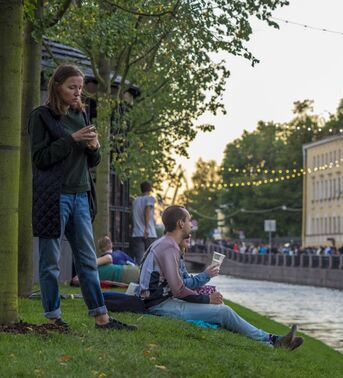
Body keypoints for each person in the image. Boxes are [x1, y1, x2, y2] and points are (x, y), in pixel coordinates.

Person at [29, 64, 135, 330]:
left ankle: (102, 317)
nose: (77, 92)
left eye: (80, 87)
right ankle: (54, 317)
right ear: (57, 87)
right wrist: (73, 139)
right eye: (71, 87)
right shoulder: (41, 116)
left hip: (80, 198)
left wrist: (94, 147)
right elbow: (40, 158)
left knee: (88, 261)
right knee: (50, 262)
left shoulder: (81, 116)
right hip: (53, 198)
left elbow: (92, 161)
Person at [139, 205, 303, 350]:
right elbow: (179, 290)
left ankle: (269, 341)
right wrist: (207, 299)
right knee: (223, 311)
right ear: (181, 224)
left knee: (221, 310)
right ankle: (273, 340)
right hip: (158, 306)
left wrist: (205, 296)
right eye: (189, 220)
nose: (192, 225)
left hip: (159, 301)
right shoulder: (169, 247)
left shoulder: (166, 243)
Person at [130, 181, 157, 264]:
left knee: (139, 259)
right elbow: (147, 211)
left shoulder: (135, 201)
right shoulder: (149, 198)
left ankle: (139, 276)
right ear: (150, 188)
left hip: (136, 233)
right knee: (151, 258)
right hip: (149, 233)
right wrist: (146, 228)